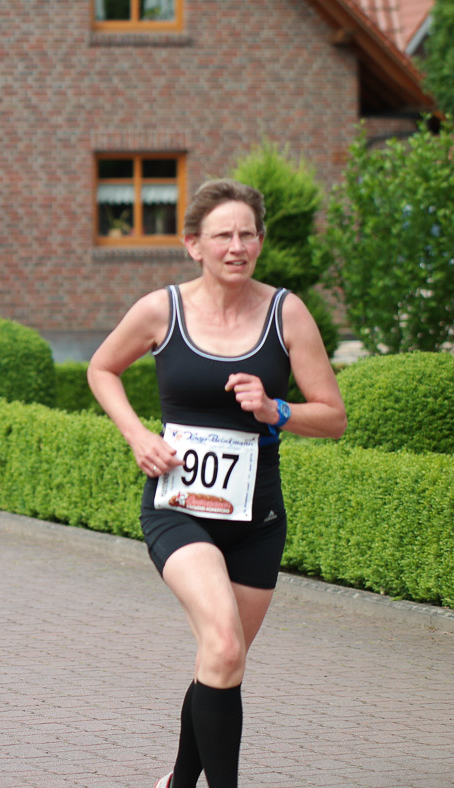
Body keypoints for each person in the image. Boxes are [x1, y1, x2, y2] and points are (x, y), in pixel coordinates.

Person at [86, 179, 346, 788]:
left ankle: (177, 784)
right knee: (225, 644)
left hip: (256, 518)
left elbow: (333, 416)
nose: (237, 247)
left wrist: (277, 410)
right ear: (193, 245)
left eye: (247, 234)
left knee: (221, 660)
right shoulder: (162, 310)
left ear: (260, 241)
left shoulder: (286, 313)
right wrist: (138, 435)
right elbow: (102, 368)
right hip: (179, 507)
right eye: (223, 235)